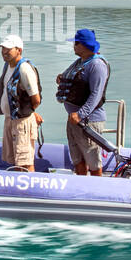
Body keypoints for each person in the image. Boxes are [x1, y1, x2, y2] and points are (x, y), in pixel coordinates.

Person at [56, 28, 111, 176]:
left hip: (88, 121)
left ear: (85, 45)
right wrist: (62, 78)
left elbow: (96, 95)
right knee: (77, 160)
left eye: (76, 43)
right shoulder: (80, 62)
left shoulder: (97, 65)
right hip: (73, 120)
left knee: (93, 162)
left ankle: (97, 190)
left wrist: (80, 114)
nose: (74, 46)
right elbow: (69, 75)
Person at [0, 36, 42, 171]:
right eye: (3, 48)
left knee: (25, 161)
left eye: (8, 49)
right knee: (15, 160)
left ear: (19, 50)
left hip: (21, 121)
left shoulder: (24, 69)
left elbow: (36, 99)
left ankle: (29, 189)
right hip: (10, 119)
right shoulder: (7, 66)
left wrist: (28, 113)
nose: (4, 52)